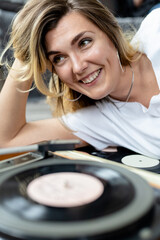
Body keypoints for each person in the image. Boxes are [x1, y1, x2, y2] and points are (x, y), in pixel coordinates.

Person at [0, 0, 160, 159]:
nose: (77, 67)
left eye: (84, 43)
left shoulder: (155, 31)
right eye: (59, 58)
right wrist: (25, 56)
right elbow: (7, 141)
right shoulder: (99, 120)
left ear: (111, 32)